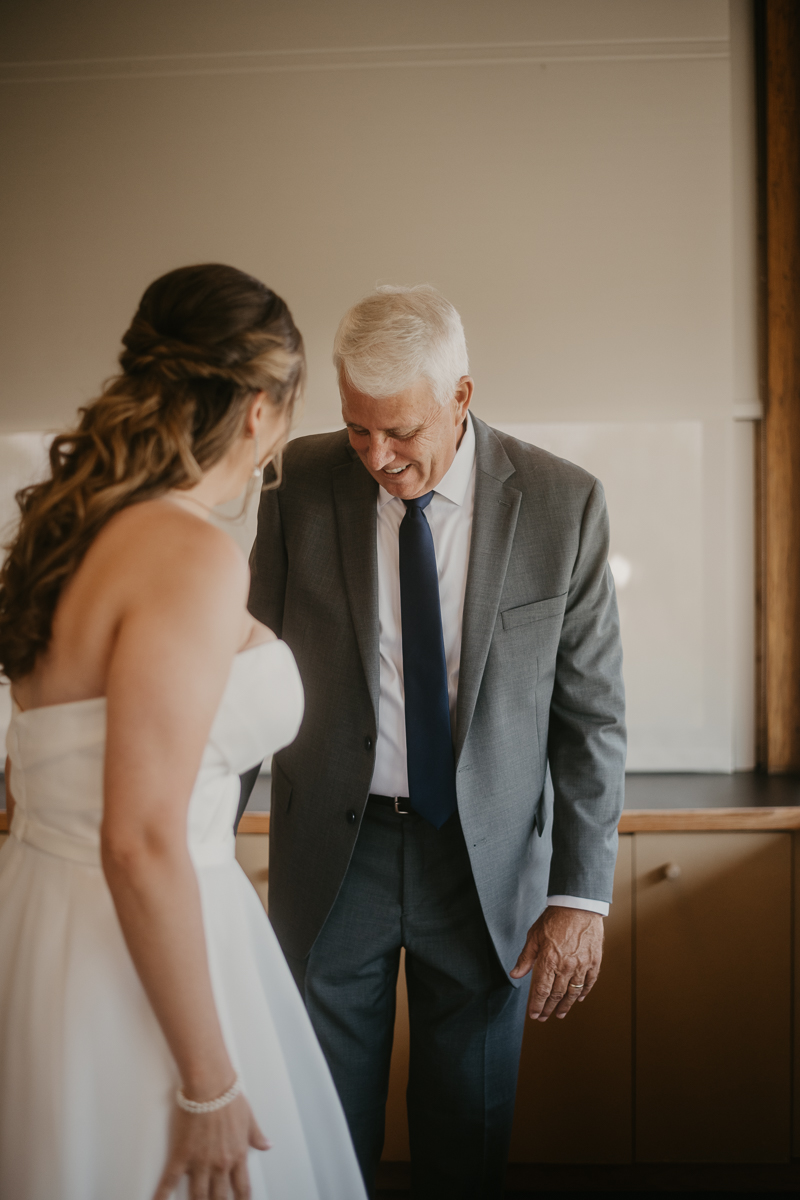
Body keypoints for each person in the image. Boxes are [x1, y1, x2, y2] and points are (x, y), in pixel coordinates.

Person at [247, 284, 627, 1199]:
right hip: (336, 856)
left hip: (484, 862)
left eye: (402, 432)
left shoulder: (561, 502)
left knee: (470, 1125)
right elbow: (242, 675)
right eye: (358, 429)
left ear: (461, 395)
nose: (378, 457)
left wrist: (581, 894)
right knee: (325, 1127)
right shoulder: (294, 484)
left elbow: (592, 718)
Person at [0, 264, 367, 1200]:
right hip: (141, 949)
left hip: (49, 915)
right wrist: (207, 1083)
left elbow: (33, 774)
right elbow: (139, 835)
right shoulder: (189, 552)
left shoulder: (66, 526)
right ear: (260, 411)